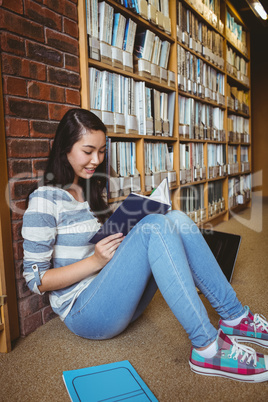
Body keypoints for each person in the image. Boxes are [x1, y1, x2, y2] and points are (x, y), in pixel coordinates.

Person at [22, 108, 268, 383]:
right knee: (155, 226)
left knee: (174, 217)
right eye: (88, 151)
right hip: (84, 313)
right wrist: (96, 261)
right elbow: (37, 280)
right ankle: (208, 347)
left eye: (102, 151)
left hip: (113, 294)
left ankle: (235, 317)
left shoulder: (90, 191)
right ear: (65, 148)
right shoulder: (43, 200)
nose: (96, 160)